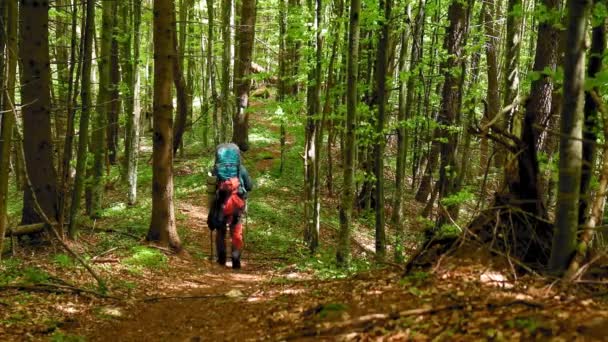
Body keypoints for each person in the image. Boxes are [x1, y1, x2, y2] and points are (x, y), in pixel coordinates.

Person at [210, 143, 253, 269]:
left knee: (220, 231)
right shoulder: (241, 169)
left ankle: (221, 259)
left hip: (220, 204)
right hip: (237, 205)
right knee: (236, 232)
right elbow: (249, 186)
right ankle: (236, 260)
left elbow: (210, 188)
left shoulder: (215, 169)